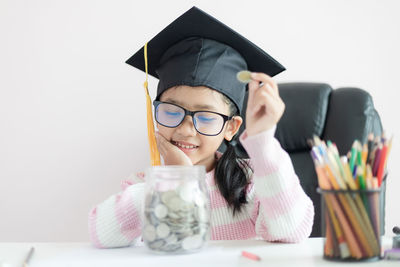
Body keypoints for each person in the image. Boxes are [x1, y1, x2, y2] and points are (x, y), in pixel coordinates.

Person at [88, 6, 314, 248]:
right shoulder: (146, 184)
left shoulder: (251, 180)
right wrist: (176, 180)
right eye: (172, 111)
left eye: (205, 117)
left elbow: (292, 230)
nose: (185, 130)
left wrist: (262, 141)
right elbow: (102, 234)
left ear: (231, 127)